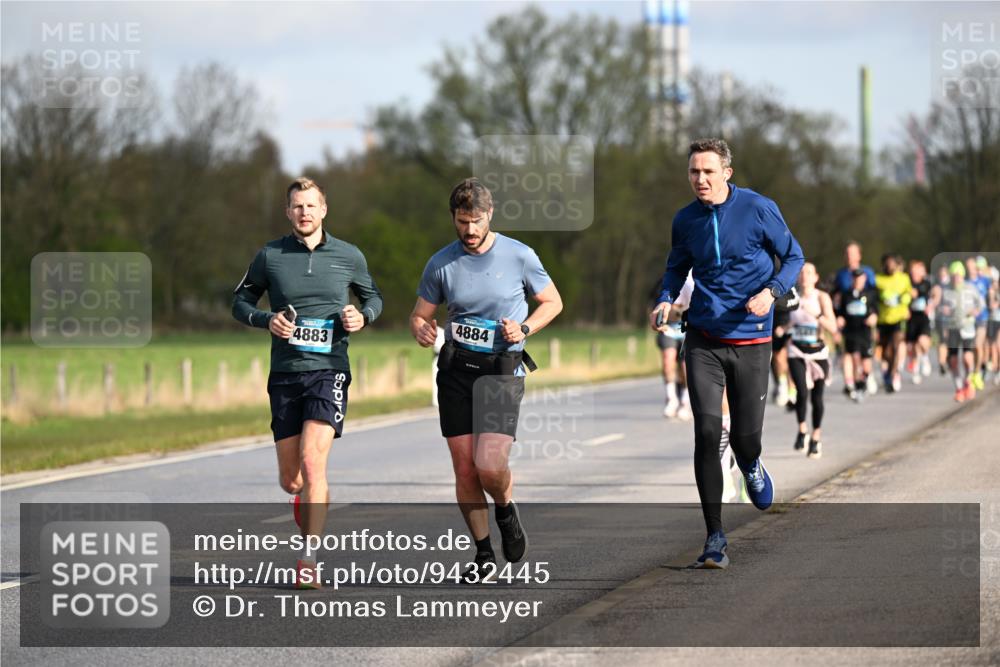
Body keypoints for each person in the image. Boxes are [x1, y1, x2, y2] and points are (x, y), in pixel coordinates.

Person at [649, 138, 804, 569]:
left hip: (752, 339)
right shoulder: (685, 220)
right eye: (694, 172)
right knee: (705, 432)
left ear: (726, 174)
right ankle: (715, 536)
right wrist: (665, 298)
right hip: (703, 338)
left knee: (745, 438)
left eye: (708, 172)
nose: (700, 179)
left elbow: (793, 255)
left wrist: (772, 292)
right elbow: (676, 266)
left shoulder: (757, 208)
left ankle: (751, 464)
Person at [233, 177, 383, 589]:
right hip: (285, 373)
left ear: (324, 209)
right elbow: (239, 302)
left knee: (314, 462)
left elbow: (374, 298)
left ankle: (308, 559)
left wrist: (362, 316)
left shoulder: (349, 255)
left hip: (329, 369)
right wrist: (268, 320)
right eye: (297, 206)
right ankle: (304, 503)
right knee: (292, 479)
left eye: (311, 206)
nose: (304, 213)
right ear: (288, 212)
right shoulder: (271, 255)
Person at [410, 178, 562, 582]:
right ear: (454, 219)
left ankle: (506, 508)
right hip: (456, 372)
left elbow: (553, 302)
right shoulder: (440, 263)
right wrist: (421, 328)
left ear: (489, 215)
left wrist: (525, 329)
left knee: (490, 467)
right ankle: (482, 553)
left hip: (500, 371)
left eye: (476, 221)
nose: (470, 230)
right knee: (464, 469)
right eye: (463, 222)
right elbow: (419, 314)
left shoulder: (519, 255)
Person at [787, 263, 838, 458]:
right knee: (801, 391)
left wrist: (815, 314)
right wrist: (784, 329)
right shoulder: (793, 297)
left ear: (816, 277)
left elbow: (832, 327)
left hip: (818, 352)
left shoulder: (821, 297)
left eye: (808, 272)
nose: (804, 276)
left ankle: (816, 437)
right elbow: (790, 321)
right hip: (796, 350)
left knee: (817, 397)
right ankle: (802, 431)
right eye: (801, 273)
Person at [938, 261, 985, 401]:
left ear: (963, 275)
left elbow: (981, 304)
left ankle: (968, 381)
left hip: (967, 327)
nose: (956, 278)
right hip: (952, 328)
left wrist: (975, 311)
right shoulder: (945, 290)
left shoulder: (970, 288)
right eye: (953, 276)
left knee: (966, 357)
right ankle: (959, 388)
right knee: (952, 360)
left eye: (958, 275)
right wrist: (942, 310)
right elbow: (938, 307)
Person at [835, 269, 879, 402]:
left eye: (860, 278)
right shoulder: (845, 294)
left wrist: (874, 317)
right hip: (850, 331)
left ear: (864, 279)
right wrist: (839, 319)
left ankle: (866, 378)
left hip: (864, 331)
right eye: (855, 278)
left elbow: (876, 310)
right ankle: (852, 384)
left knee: (866, 360)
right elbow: (839, 311)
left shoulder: (870, 294)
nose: (857, 281)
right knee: (851, 356)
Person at [655, 273, 694, 420]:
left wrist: (680, 311)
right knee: (667, 361)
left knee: (685, 368)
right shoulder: (667, 279)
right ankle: (671, 399)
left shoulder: (696, 278)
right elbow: (660, 305)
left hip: (688, 328)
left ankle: (685, 402)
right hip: (669, 328)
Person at [874, 254, 912, 393]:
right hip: (883, 319)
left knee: (896, 346)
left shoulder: (903, 278)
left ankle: (892, 375)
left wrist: (903, 299)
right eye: (887, 264)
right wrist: (881, 299)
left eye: (892, 264)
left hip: (899, 317)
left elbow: (909, 293)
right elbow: (873, 296)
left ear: (896, 265)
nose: (890, 267)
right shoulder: (878, 279)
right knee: (885, 352)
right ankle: (889, 371)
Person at [905, 260, 934, 384]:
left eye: (918, 270)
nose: (915, 273)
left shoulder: (927, 283)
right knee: (912, 347)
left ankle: (925, 357)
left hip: (923, 317)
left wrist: (931, 305)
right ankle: (916, 371)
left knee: (922, 341)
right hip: (911, 318)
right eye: (913, 270)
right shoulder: (907, 283)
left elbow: (933, 294)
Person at [966, 256, 991, 391]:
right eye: (967, 266)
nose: (970, 269)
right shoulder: (965, 282)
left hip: (983, 317)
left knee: (978, 344)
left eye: (971, 266)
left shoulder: (985, 281)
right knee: (970, 348)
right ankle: (973, 371)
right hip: (968, 321)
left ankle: (977, 373)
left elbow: (993, 291)